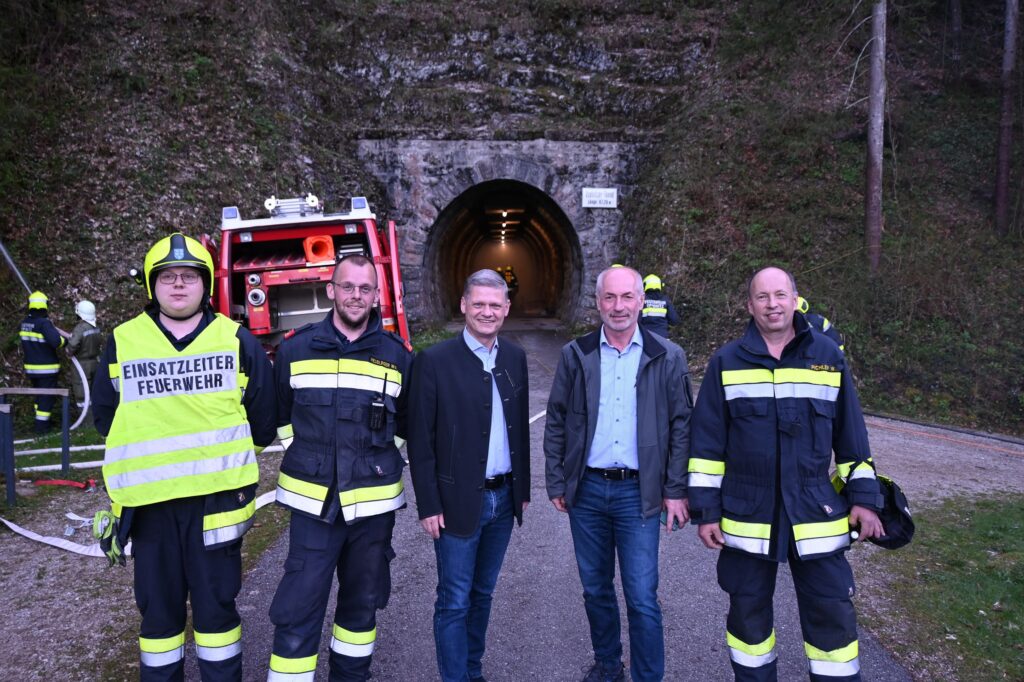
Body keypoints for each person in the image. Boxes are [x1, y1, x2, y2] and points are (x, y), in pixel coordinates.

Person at [91, 232, 277, 681]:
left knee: (216, 613)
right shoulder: (122, 342)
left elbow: (263, 420)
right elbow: (105, 417)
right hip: (151, 510)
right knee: (159, 618)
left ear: (205, 284)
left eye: (189, 276)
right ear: (152, 286)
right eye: (168, 277)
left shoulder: (237, 341)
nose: (178, 285)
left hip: (216, 507)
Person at [687, 266, 884, 682]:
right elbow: (706, 445)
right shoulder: (726, 362)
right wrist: (705, 512)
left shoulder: (828, 359)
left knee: (832, 617)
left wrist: (865, 500)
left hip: (815, 513)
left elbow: (851, 437)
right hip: (747, 516)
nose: (772, 304)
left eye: (780, 295)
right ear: (749, 306)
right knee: (748, 621)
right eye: (762, 297)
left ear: (795, 299)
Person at [268, 254, 413, 682]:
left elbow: (404, 425)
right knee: (299, 604)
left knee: (361, 604)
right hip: (313, 505)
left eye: (364, 289)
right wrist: (310, 460)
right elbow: (281, 415)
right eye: (347, 287)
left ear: (375, 295)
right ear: (331, 290)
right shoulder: (295, 348)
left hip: (372, 508)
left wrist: (376, 465)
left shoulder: (397, 355)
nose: (355, 296)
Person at [544, 265, 693, 682]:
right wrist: (557, 479)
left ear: (642, 302)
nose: (619, 306)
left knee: (642, 596)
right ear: (598, 303)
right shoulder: (577, 354)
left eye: (627, 297)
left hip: (638, 493)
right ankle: (609, 664)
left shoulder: (667, 356)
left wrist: (676, 489)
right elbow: (556, 418)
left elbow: (683, 425)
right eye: (610, 298)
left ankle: (648, 675)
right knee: (595, 590)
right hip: (587, 491)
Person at [407, 269, 531, 682]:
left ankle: (472, 671)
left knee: (483, 594)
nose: (486, 312)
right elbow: (420, 441)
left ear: (506, 309)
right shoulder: (434, 361)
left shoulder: (514, 357)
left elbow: (520, 427)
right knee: (455, 599)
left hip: (502, 499)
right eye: (478, 303)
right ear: (463, 305)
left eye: (495, 305)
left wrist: (523, 488)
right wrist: (428, 504)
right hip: (457, 501)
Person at [18, 290, 68, 433]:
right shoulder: (44, 324)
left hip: (31, 369)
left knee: (40, 396)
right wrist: (66, 341)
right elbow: (56, 342)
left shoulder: (25, 323)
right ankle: (41, 428)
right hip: (47, 369)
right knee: (47, 398)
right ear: (45, 305)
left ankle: (39, 423)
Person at [67, 300, 103, 416]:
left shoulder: (80, 328)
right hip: (95, 363)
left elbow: (73, 345)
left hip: (81, 365)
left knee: (82, 392)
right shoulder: (96, 327)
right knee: (93, 391)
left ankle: (86, 421)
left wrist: (68, 351)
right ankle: (95, 418)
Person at [640, 274, 680, 338]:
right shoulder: (666, 300)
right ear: (660, 285)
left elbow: (635, 321)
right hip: (663, 338)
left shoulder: (642, 300)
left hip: (645, 337)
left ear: (644, 285)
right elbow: (674, 320)